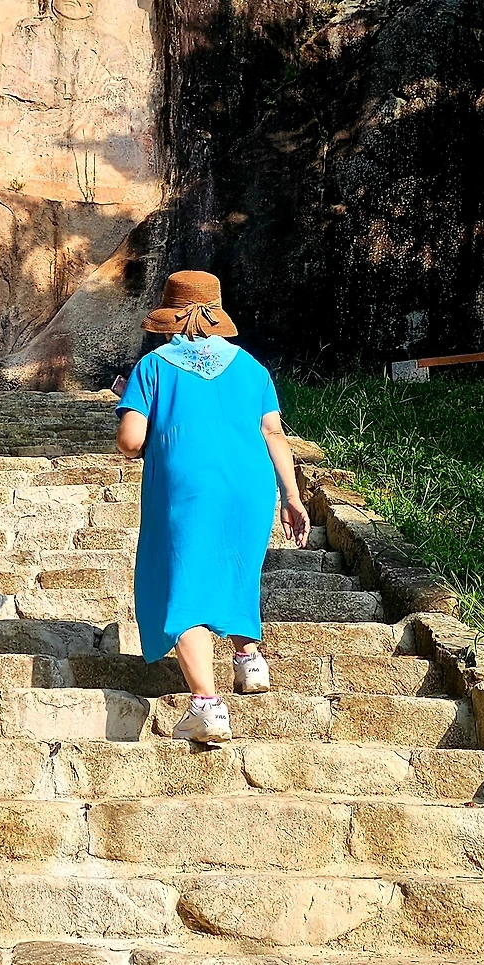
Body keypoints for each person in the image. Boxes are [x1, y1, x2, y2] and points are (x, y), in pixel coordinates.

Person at [115, 270, 310, 745]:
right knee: (234, 567)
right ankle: (248, 660)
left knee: (181, 583)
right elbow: (273, 433)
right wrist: (292, 496)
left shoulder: (153, 367)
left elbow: (130, 440)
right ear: (216, 315)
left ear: (169, 317)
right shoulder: (252, 369)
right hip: (251, 485)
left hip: (186, 486)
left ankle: (206, 706)